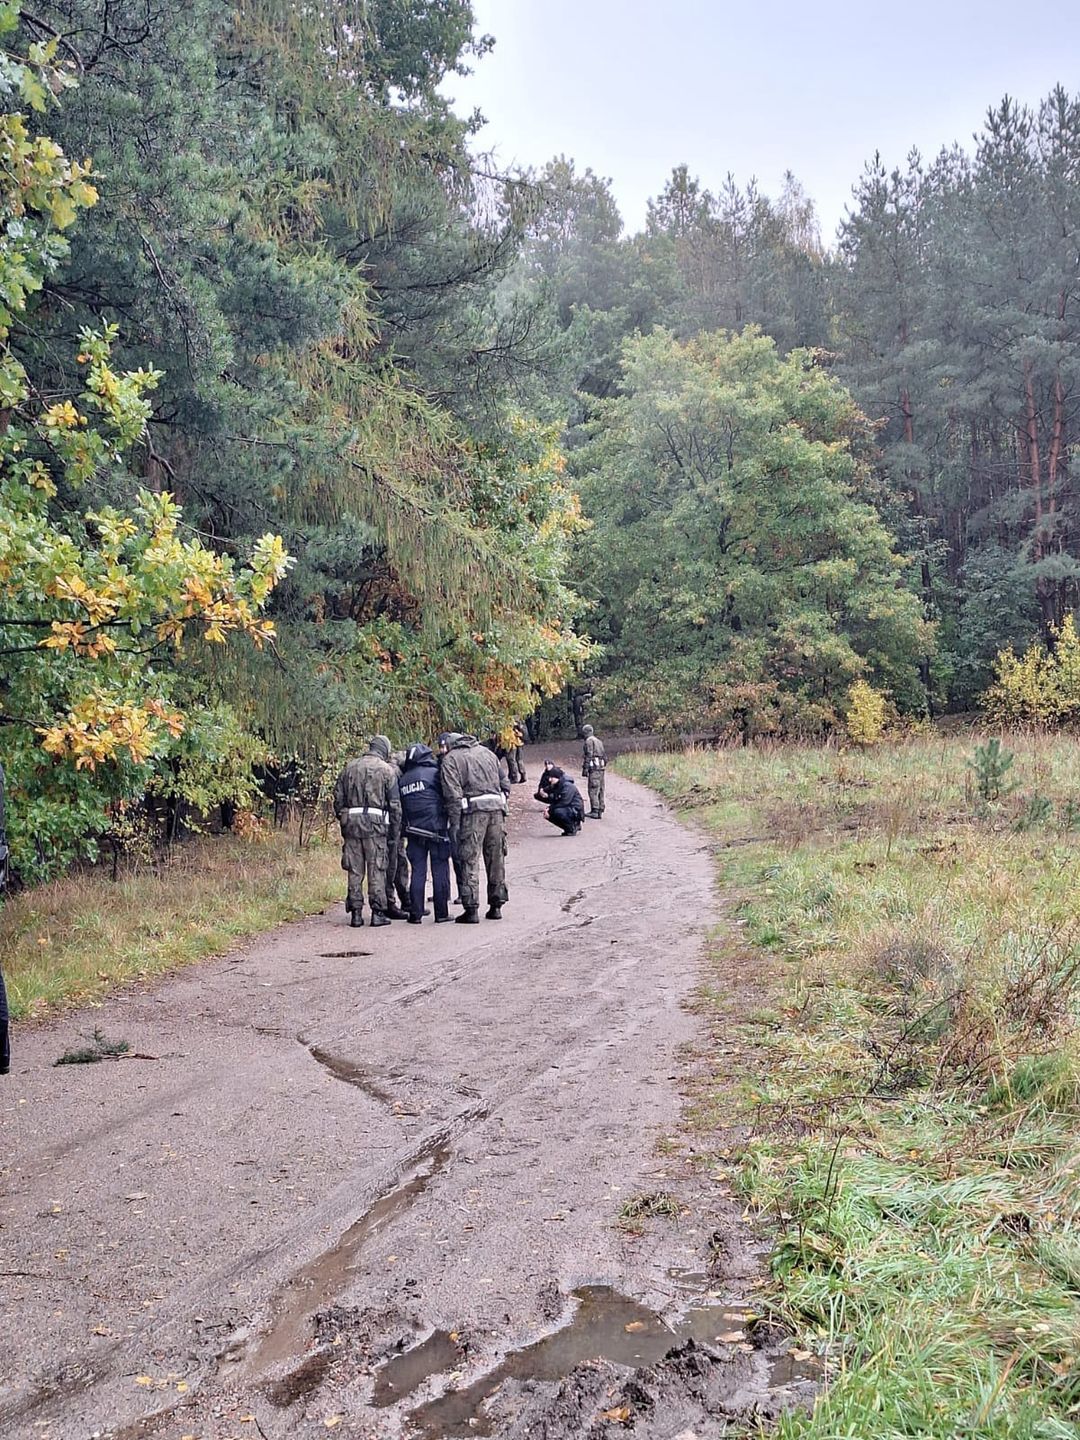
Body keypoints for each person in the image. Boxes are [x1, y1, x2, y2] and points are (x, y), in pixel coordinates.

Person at [439, 732, 509, 924]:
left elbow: (452, 795)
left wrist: (455, 823)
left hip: (472, 814)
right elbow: (505, 784)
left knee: (469, 859)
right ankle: (496, 905)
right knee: (496, 858)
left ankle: (471, 908)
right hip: (496, 811)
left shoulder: (451, 759)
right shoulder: (488, 754)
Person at [333, 735, 401, 928]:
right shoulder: (387, 771)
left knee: (355, 870)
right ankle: (377, 912)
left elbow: (338, 799)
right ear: (384, 750)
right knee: (377, 868)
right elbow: (395, 806)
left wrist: (343, 818)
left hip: (352, 826)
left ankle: (356, 913)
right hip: (376, 827)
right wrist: (394, 833)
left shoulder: (349, 768)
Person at [398, 743, 453, 924]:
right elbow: (447, 796)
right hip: (436, 829)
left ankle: (416, 913)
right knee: (439, 870)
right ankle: (442, 913)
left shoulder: (404, 779)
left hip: (413, 831)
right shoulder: (435, 774)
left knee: (418, 872)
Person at [383, 751, 412, 921]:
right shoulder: (396, 773)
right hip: (393, 824)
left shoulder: (383, 768)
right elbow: (397, 802)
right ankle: (398, 901)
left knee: (385, 862)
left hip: (378, 823)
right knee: (397, 861)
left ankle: (391, 900)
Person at [535, 763, 585, 836]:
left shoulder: (568, 786)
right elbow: (549, 789)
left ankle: (573, 826)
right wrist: (542, 791)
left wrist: (549, 808)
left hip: (575, 810)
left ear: (556, 778)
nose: (549, 780)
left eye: (551, 778)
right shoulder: (558, 784)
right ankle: (568, 828)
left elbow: (564, 802)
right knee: (550, 813)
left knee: (556, 811)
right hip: (568, 808)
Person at [581, 724, 607, 819]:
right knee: (600, 788)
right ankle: (600, 808)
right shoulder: (599, 741)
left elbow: (589, 755)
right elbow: (604, 756)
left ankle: (595, 810)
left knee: (593, 789)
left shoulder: (589, 741)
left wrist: (585, 768)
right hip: (601, 768)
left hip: (594, 768)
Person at [509, 720, 528, 785]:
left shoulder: (510, 720)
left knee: (512, 760)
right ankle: (523, 775)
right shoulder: (521, 721)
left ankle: (514, 777)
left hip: (512, 743)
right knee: (519, 760)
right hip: (520, 742)